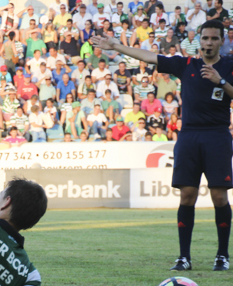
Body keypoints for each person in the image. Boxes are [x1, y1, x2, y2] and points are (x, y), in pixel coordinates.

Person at [92, 21, 233, 271]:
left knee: (219, 196)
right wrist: (116, 46)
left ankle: (222, 255)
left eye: (213, 39)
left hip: (217, 137)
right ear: (199, 41)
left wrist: (221, 82)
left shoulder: (230, 66)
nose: (209, 43)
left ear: (222, 41)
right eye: (205, 38)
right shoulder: (186, 64)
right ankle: (184, 257)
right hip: (189, 136)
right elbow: (148, 55)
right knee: (187, 195)